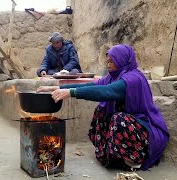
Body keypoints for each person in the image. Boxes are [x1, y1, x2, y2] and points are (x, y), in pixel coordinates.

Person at [37, 44, 169, 170]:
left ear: (122, 60)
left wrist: (71, 93)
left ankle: (135, 158)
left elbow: (105, 91)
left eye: (112, 61)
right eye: (108, 61)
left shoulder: (132, 79)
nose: (108, 65)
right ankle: (111, 153)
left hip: (143, 128)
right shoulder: (115, 76)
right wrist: (58, 87)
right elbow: (93, 86)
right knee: (102, 110)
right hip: (130, 124)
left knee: (119, 119)